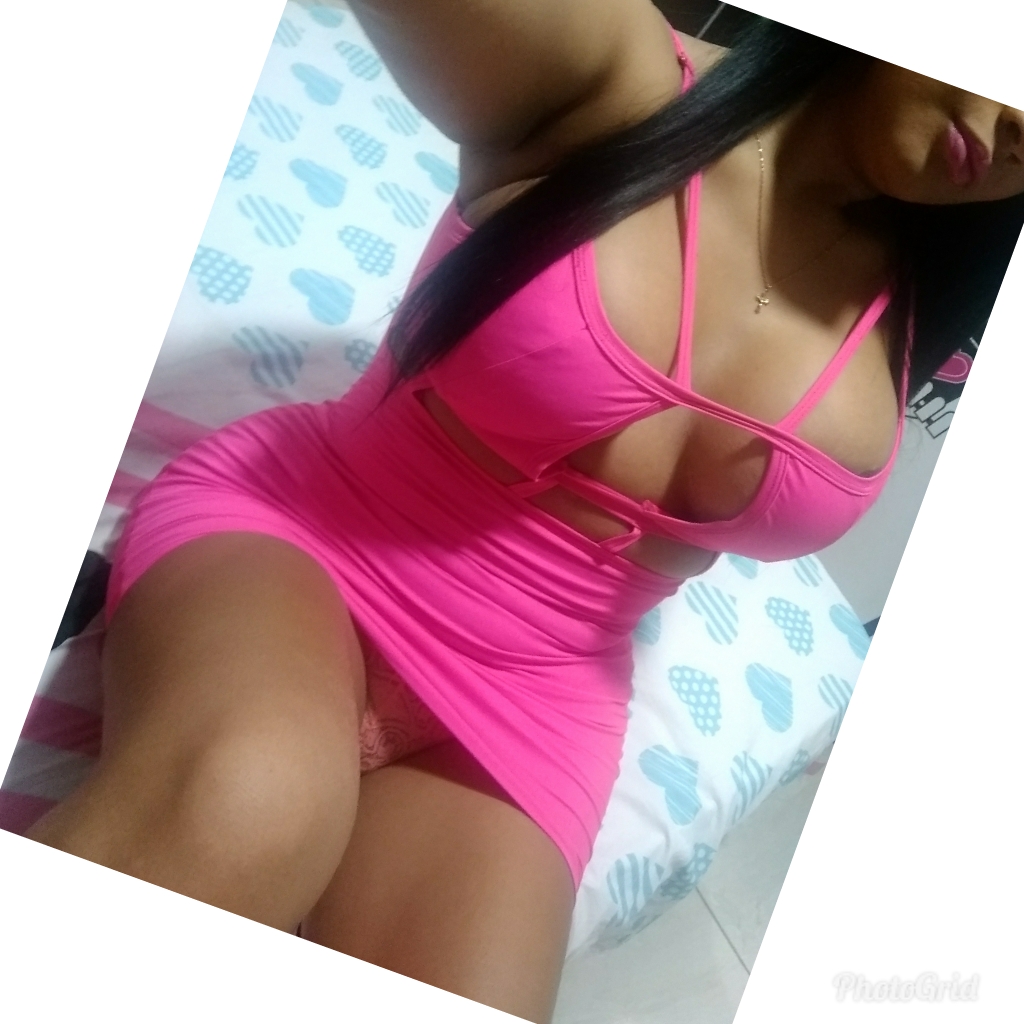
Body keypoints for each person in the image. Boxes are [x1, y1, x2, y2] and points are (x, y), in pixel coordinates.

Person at [26, 2, 1024, 1021]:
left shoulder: (927, 291)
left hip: (541, 695)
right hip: (312, 535)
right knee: (250, 803)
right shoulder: (616, 81)